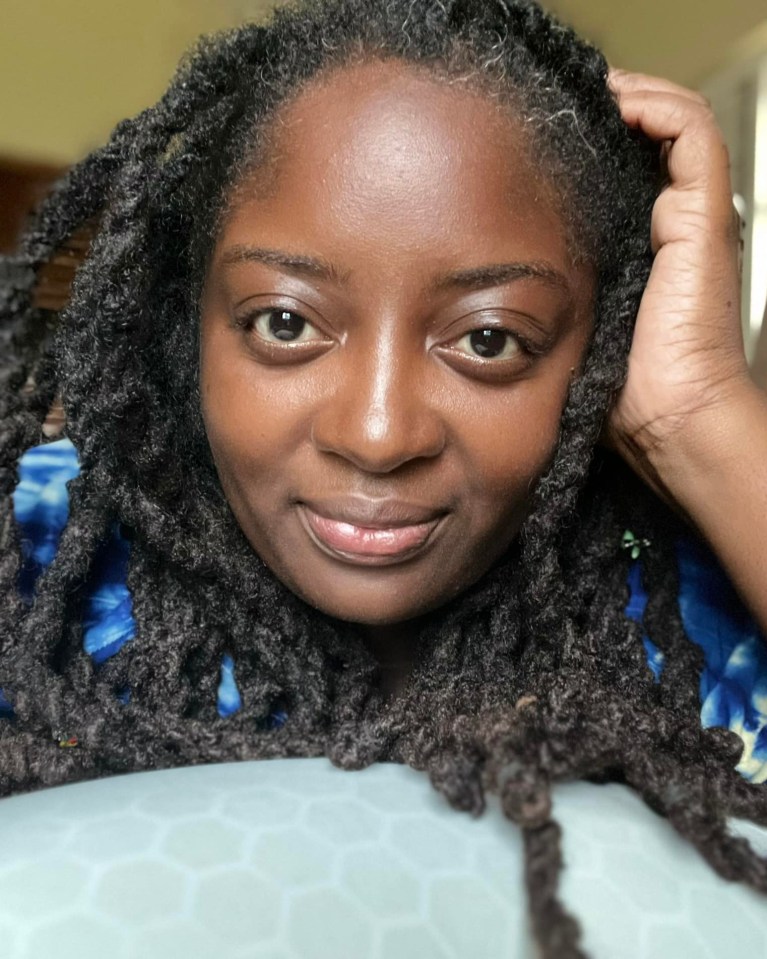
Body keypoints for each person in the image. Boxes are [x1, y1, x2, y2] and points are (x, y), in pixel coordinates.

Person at [1, 0, 766, 954]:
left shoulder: (706, 625)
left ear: (601, 351)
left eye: (488, 339)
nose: (375, 433)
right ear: (181, 332)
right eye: (285, 323)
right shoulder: (34, 567)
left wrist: (695, 413)